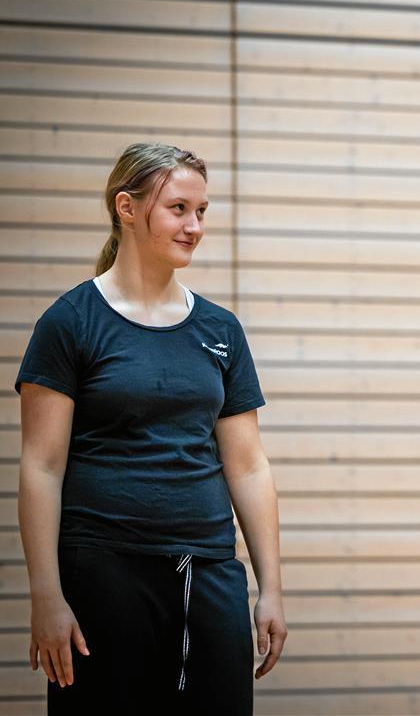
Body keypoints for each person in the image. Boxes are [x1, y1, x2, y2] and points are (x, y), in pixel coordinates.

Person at [17, 143, 287, 714]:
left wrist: (271, 589)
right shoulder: (70, 323)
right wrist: (46, 595)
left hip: (208, 573)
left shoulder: (221, 329)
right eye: (179, 209)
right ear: (127, 208)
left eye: (202, 211)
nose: (194, 226)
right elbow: (41, 466)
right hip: (103, 573)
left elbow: (248, 464)